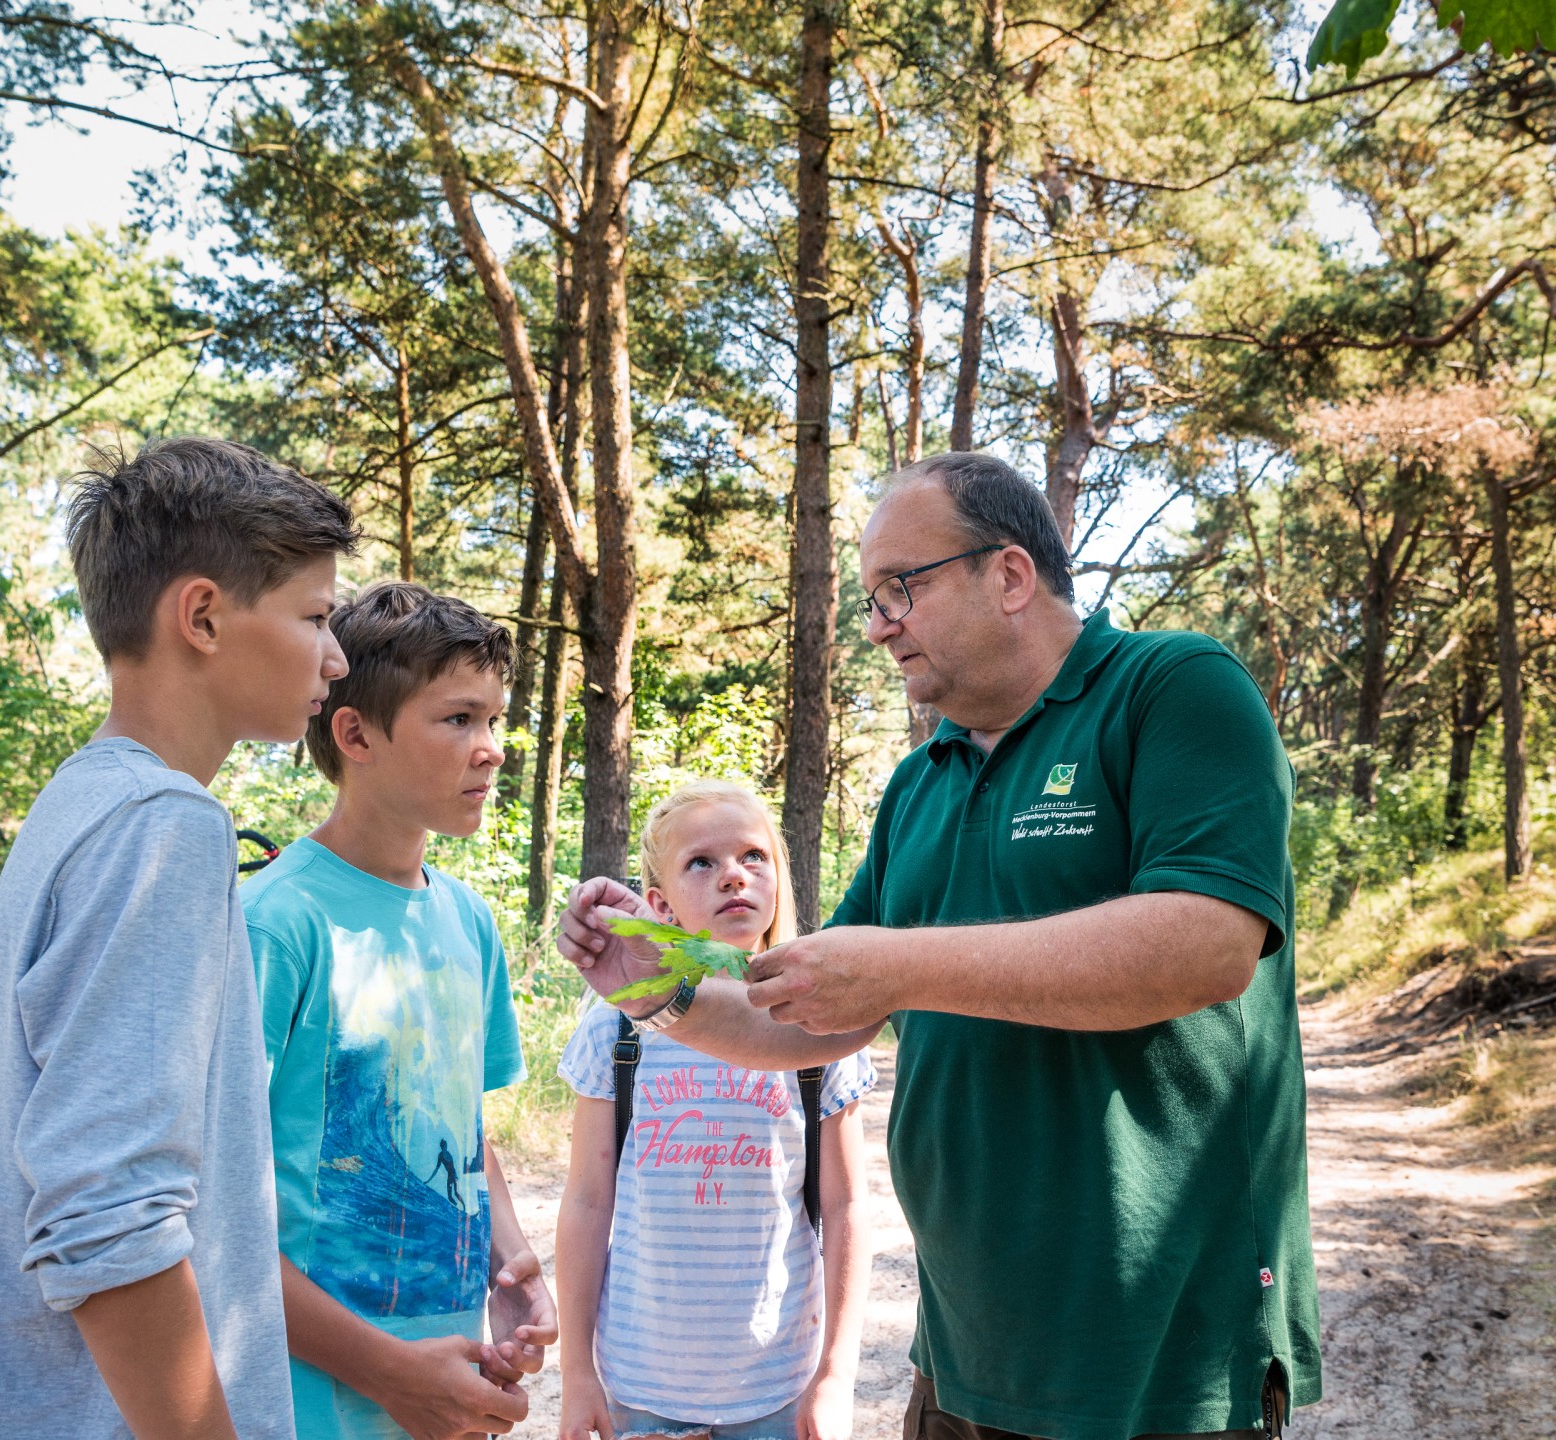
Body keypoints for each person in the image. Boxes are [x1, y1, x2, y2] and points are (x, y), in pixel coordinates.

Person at [560, 453, 1321, 1440]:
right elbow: (812, 1014)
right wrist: (659, 992)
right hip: (964, 1356)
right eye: (871, 599)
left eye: (897, 590)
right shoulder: (920, 785)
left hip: (1158, 1351)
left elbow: (1208, 942)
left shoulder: (1171, 688)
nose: (876, 625)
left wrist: (900, 967)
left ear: (1008, 576)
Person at [0, 437, 358, 1439]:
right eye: (313, 617)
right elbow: (107, 1216)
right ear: (204, 616)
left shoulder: (82, 801)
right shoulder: (161, 826)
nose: (336, 660)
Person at [241, 580, 558, 1439]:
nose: (491, 748)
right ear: (355, 734)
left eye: (494, 720)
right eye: (458, 719)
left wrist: (512, 1263)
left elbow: (463, 1123)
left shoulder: (468, 919)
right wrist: (388, 1372)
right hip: (316, 1404)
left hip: (443, 1391)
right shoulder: (278, 923)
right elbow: (212, 1211)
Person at [554, 780, 875, 1440]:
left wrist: (835, 1377)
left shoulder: (819, 1025)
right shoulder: (617, 1030)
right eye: (703, 861)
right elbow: (588, 1202)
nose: (734, 875)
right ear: (660, 905)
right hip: (642, 1386)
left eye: (754, 856)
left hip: (779, 1385)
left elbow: (847, 1206)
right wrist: (576, 1374)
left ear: (779, 880)